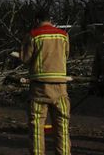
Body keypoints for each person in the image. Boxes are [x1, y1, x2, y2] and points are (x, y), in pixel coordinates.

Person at [20, 10, 71, 155]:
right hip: (61, 88)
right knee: (62, 127)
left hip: (39, 89)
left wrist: (24, 43)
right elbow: (66, 55)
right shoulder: (64, 35)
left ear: (37, 20)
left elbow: (25, 58)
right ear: (50, 19)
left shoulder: (34, 35)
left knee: (37, 128)